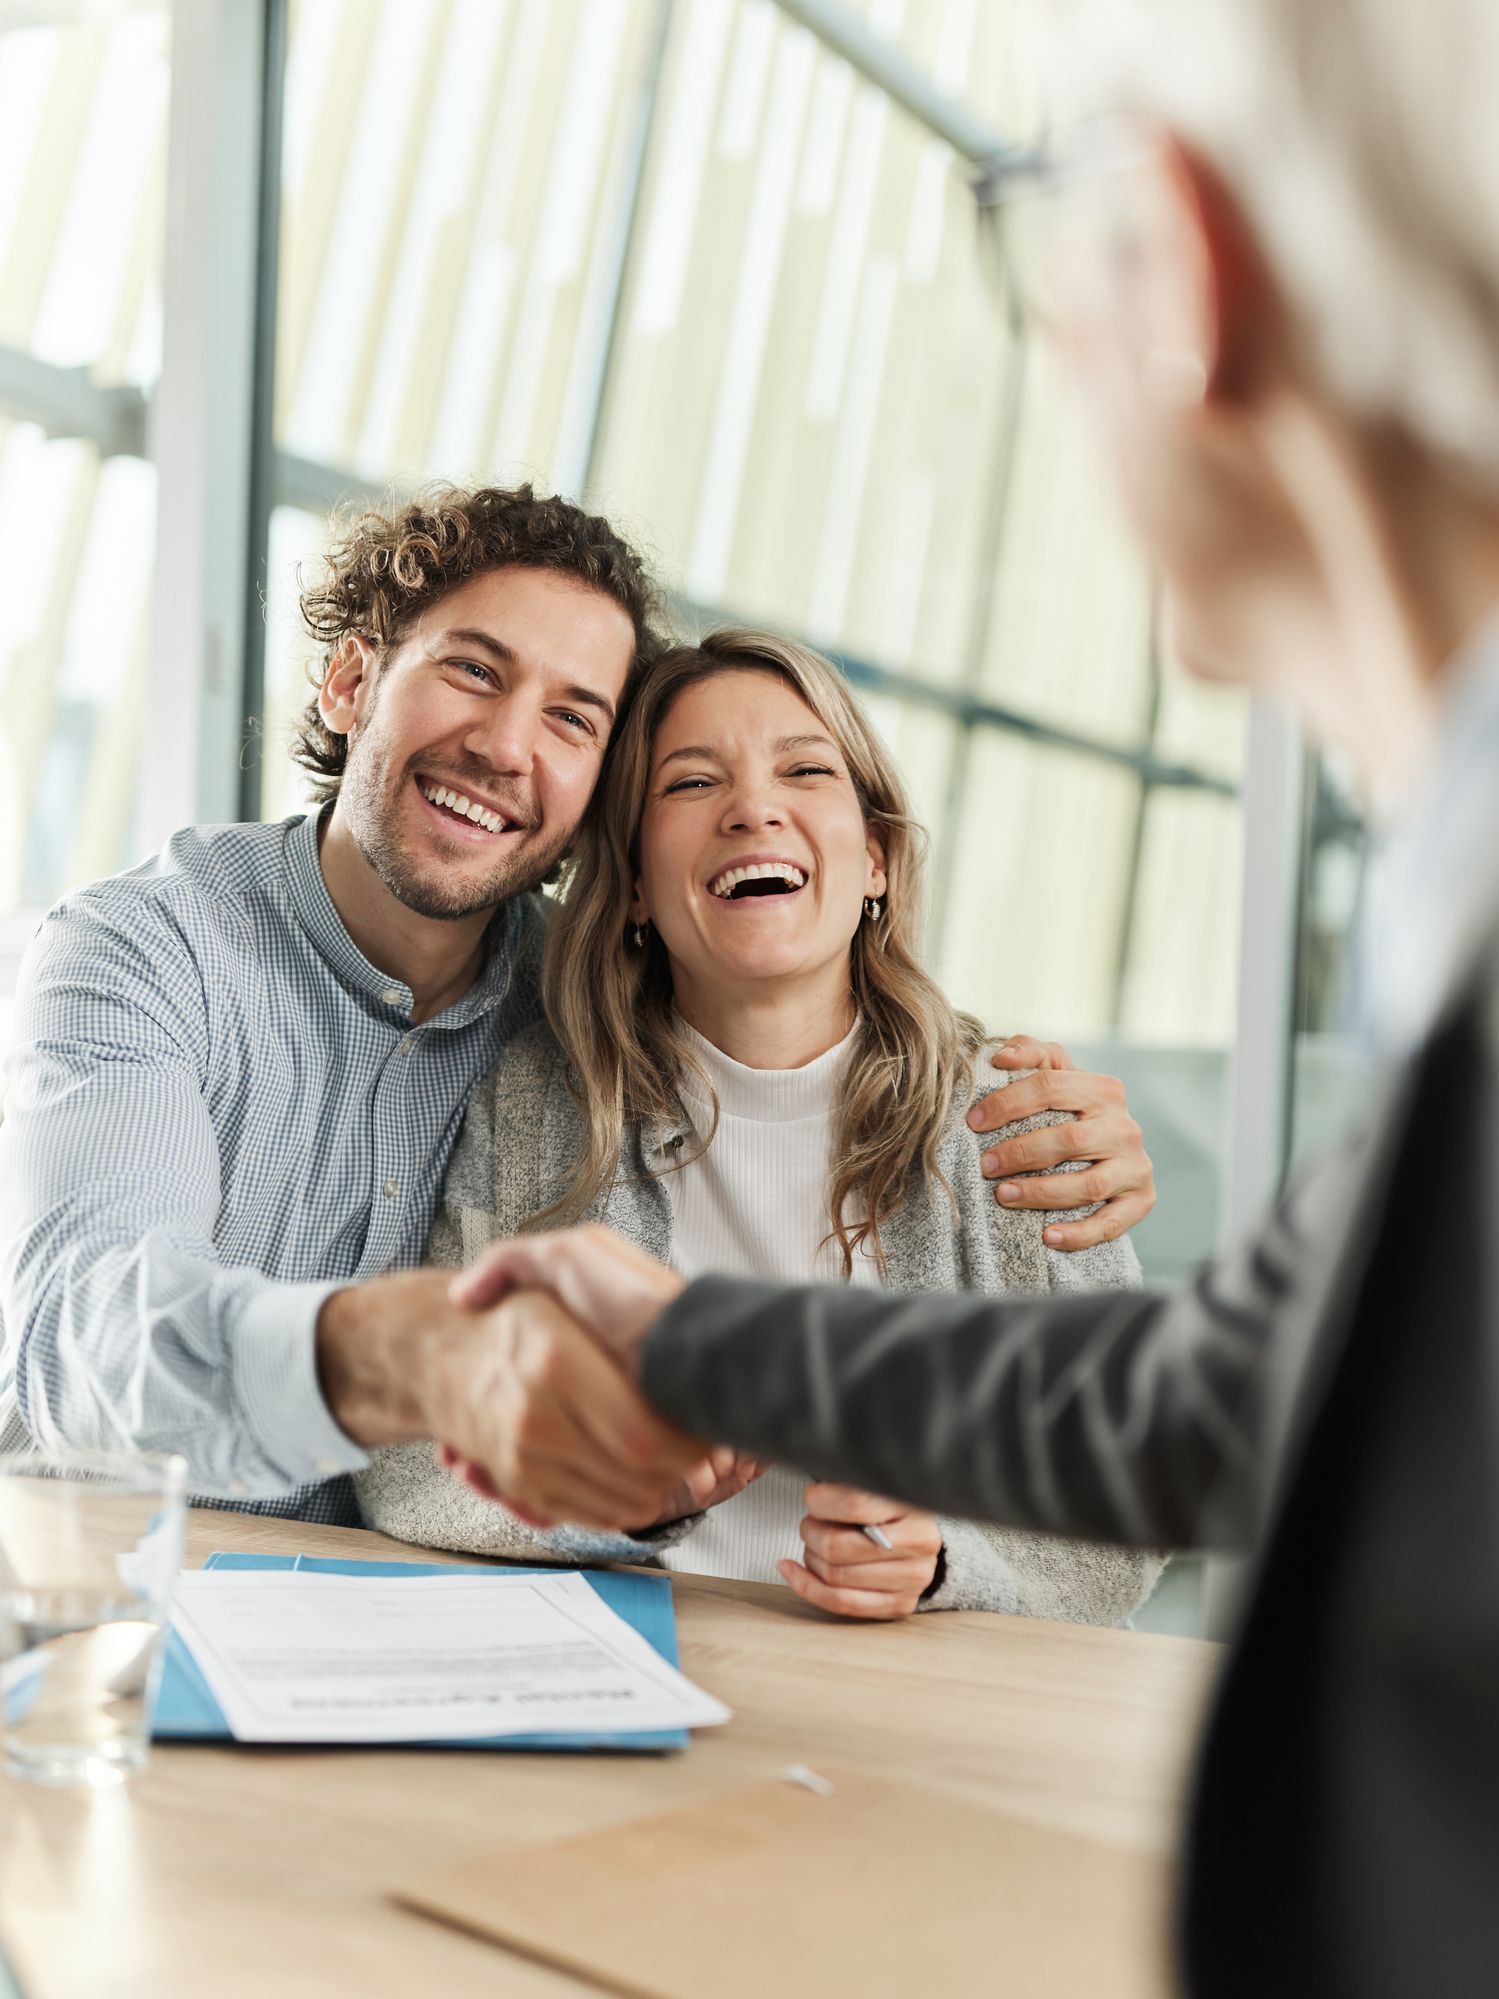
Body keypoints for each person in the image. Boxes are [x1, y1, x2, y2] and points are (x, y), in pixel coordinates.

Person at [426, 2, 1499, 1993]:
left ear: (1187, 269)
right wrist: (700, 1352)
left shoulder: (1027, 1101)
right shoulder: (1446, 897)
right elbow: (1204, 1396)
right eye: (686, 785)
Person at [0, 483, 1155, 1527]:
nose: (506, 746)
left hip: (394, 1638)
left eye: (572, 718)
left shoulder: (590, 1005)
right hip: (105, 1600)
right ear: (351, 682)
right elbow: (85, 1335)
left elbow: (791, 999)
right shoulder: (140, 951)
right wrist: (402, 1358)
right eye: (473, 670)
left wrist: (1061, 1123)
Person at [356, 628, 1162, 1627]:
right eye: (691, 784)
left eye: (804, 770)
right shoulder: (534, 1104)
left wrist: (946, 1560)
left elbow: (1125, 1500)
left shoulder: (1016, 1119)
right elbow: (406, 1465)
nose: (752, 808)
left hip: (922, 1702)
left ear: (873, 856)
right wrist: (613, 1502)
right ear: (638, 888)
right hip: (626, 1661)